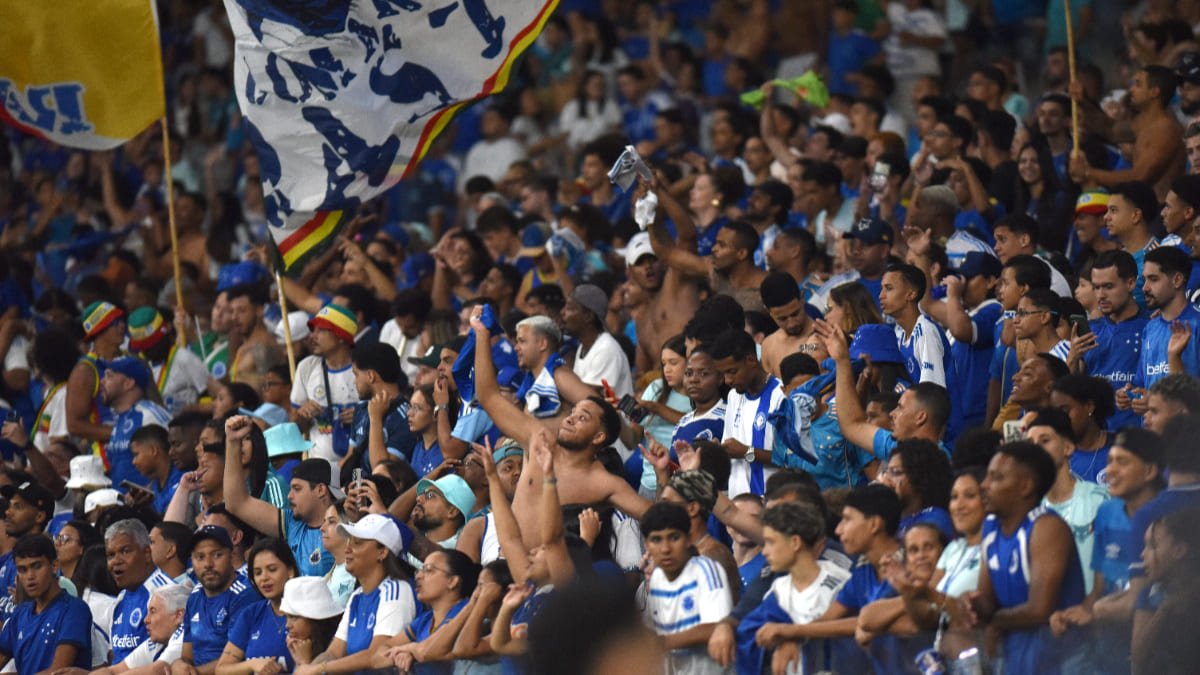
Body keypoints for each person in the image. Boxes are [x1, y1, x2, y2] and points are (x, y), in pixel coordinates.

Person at [470, 307, 649, 550]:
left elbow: (655, 517)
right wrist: (481, 335)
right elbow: (489, 396)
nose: (569, 419)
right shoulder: (539, 442)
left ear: (599, 436)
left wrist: (663, 476)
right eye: (572, 412)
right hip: (508, 562)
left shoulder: (603, 482)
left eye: (581, 417)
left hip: (552, 577)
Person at [962, 441, 1087, 673]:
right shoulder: (991, 527)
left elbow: (1039, 610)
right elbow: (987, 602)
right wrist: (972, 604)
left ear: (1025, 486)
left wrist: (995, 621)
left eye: (996, 478)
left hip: (1061, 660)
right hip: (1016, 656)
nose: (984, 486)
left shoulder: (1047, 527)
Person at [1050, 428, 1162, 673]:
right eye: (1109, 460)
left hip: (1159, 654)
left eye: (1122, 462)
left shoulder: (1169, 521)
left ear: (1150, 471)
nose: (1109, 470)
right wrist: (1076, 612)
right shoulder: (1106, 513)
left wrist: (1100, 611)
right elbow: (1099, 590)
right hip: (1106, 653)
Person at [738, 501, 851, 675]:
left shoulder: (838, 583)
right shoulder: (779, 589)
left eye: (770, 542)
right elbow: (751, 629)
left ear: (795, 542)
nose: (765, 552)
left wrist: (791, 636)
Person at [223, 413, 340, 576]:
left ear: (320, 490)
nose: (289, 496)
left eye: (297, 489)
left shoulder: (345, 528)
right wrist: (232, 442)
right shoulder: (292, 523)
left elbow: (358, 473)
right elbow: (236, 503)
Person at [298, 514, 417, 674]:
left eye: (358, 543)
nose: (347, 548)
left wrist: (319, 669)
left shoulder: (397, 591)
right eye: (349, 541)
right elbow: (333, 653)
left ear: (382, 552)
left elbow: (377, 655)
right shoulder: (356, 596)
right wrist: (308, 669)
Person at [639, 501, 733, 675]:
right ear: (646, 545)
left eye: (674, 538)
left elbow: (717, 627)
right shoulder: (657, 578)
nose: (666, 548)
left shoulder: (707, 570)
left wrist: (662, 643)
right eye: (656, 540)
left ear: (689, 539)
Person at [1024, 409, 1109, 594]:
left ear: (1068, 448)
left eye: (1045, 441)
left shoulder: (1100, 501)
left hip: (1094, 615)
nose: (1036, 450)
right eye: (1030, 444)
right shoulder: (1026, 511)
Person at [1069, 66, 1185, 197]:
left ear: (1154, 92)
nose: (1131, 89)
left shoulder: (1166, 129)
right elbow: (1110, 130)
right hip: (1149, 207)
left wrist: (1088, 173)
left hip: (1164, 208)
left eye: (1138, 84)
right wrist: (1084, 100)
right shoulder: (1143, 121)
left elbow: (1139, 177)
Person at [1074, 251, 1150, 432]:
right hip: (1096, 439)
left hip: (1137, 437)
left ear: (1131, 283)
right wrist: (1072, 359)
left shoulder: (1152, 327)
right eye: (1096, 287)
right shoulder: (1088, 331)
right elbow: (1074, 393)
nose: (1100, 295)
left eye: (1108, 286)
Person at [0, 534, 92, 673]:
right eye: (23, 570)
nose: (30, 576)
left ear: (54, 566)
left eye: (36, 566)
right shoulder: (19, 614)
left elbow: (58, 671)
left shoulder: (74, 610)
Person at [175, 525, 261, 672]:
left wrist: (194, 672)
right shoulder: (194, 597)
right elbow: (187, 655)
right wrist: (179, 665)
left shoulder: (244, 595)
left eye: (217, 555)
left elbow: (238, 658)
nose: (208, 564)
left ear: (232, 555)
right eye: (200, 557)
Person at [709, 328, 784, 497]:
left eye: (732, 371)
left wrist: (747, 452)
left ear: (751, 359)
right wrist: (717, 452)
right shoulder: (734, 396)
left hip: (772, 504)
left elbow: (793, 460)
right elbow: (732, 451)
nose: (727, 380)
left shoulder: (781, 396)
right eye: (723, 374)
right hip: (739, 506)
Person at [377, 549, 479, 673]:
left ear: (452, 581)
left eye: (429, 570)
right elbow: (377, 657)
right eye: (420, 570)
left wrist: (410, 649)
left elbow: (429, 651)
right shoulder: (425, 620)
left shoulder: (465, 610)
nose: (418, 576)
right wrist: (400, 656)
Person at [215, 537, 298, 674]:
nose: (264, 578)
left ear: (290, 571)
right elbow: (221, 670)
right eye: (258, 573)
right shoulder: (251, 614)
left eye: (272, 569)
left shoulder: (307, 612)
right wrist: (252, 665)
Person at [291, 304, 360, 464]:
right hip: (319, 469)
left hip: (357, 468)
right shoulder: (306, 367)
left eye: (321, 330)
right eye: (313, 330)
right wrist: (302, 415)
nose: (312, 337)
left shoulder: (364, 368)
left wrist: (363, 417)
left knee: (357, 487)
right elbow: (295, 431)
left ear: (341, 336)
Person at [107, 519, 176, 664]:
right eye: (111, 555)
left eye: (125, 551)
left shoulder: (165, 593)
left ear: (146, 553)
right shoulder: (119, 601)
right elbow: (115, 655)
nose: (116, 561)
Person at [102, 357, 172, 487]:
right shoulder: (120, 420)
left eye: (109, 376)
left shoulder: (149, 415)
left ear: (128, 383)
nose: (102, 381)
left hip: (150, 504)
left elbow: (172, 462)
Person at [126, 306, 209, 417]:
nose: (147, 351)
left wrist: (197, 410)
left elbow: (208, 393)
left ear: (166, 332)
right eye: (143, 347)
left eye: (151, 345)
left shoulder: (185, 359)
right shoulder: (140, 366)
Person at [107, 583, 191, 672]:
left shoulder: (186, 633)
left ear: (178, 615)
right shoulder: (158, 641)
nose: (146, 620)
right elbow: (116, 670)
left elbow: (157, 670)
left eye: (153, 611)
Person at [759, 272, 825, 379]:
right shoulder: (768, 346)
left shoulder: (824, 337)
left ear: (802, 298)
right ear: (768, 311)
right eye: (782, 319)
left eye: (795, 314)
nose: (792, 324)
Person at [278, 576, 344, 672]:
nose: (287, 625)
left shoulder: (338, 649)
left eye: (294, 617)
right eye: (286, 617)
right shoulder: (300, 646)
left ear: (315, 620)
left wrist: (305, 663)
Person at [129, 424, 183, 515]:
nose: (133, 462)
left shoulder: (183, 480)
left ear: (153, 450)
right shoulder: (151, 489)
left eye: (136, 455)